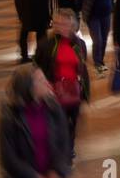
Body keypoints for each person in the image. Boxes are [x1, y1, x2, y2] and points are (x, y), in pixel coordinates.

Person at [34, 8, 91, 156]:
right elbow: (37, 66)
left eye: (64, 24)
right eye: (57, 23)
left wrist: (85, 89)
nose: (60, 27)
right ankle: (61, 148)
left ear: (72, 25)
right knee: (59, 122)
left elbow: (82, 67)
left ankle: (69, 146)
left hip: (74, 90)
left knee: (72, 122)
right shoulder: (45, 44)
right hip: (54, 91)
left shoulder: (79, 44)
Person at [76, 0, 114, 75]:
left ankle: (101, 60)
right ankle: (97, 63)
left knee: (103, 40)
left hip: (106, 14)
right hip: (93, 16)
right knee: (97, 40)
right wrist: (83, 10)